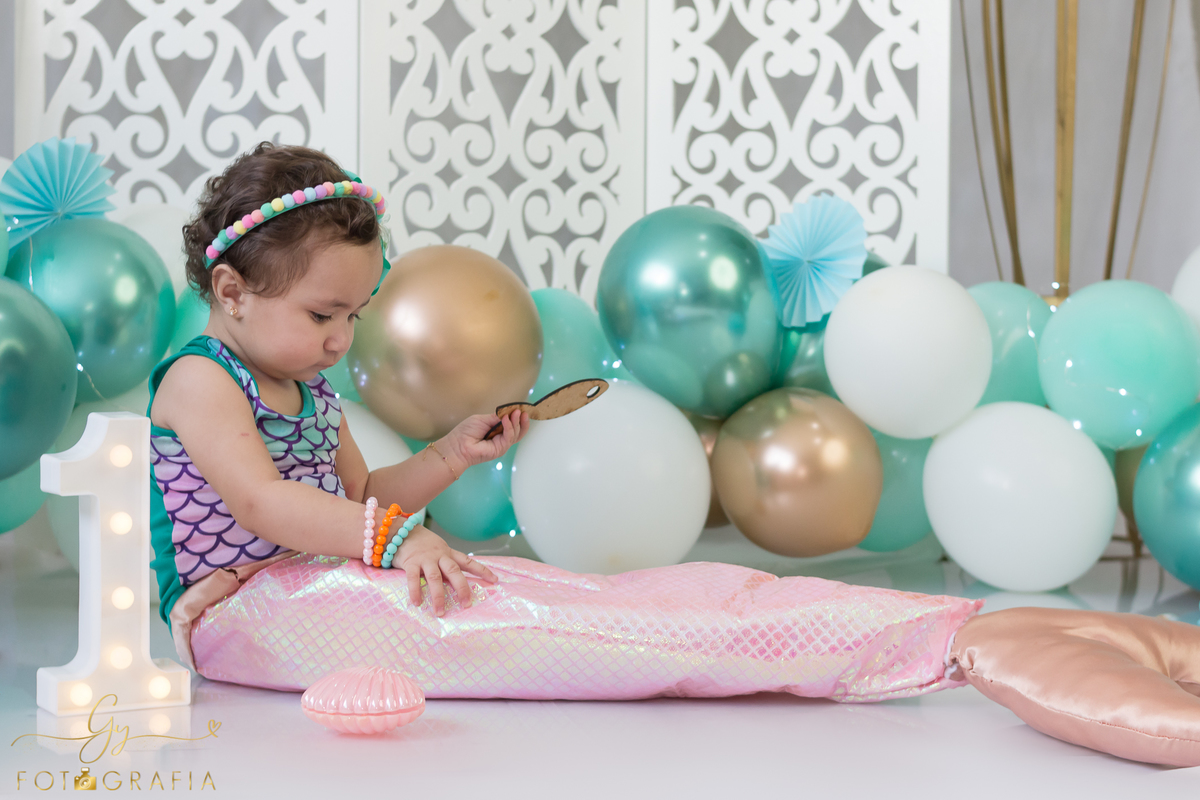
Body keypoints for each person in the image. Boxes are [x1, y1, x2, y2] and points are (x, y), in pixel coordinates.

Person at [148, 142, 1200, 768]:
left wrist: (449, 458)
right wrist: (393, 535)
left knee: (623, 594)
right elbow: (269, 503)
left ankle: (962, 629)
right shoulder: (200, 378)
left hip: (316, 571)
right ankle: (934, 644)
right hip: (241, 610)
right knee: (538, 618)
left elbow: (362, 495)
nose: (342, 338)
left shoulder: (307, 382)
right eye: (325, 314)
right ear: (231, 292)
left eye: (355, 313)